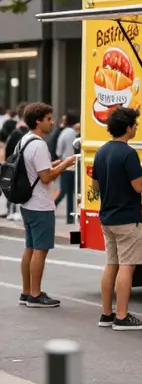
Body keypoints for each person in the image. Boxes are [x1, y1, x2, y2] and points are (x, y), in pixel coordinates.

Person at [92, 107, 142, 331]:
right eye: (134, 125)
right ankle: (122, 316)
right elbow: (140, 186)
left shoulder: (101, 151)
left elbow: (95, 186)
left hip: (107, 217)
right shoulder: (128, 153)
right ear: (127, 128)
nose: (135, 128)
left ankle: (107, 314)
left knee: (111, 265)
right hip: (127, 218)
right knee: (127, 266)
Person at [17, 103, 77, 307]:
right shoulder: (39, 144)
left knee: (30, 247)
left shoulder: (24, 141)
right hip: (40, 204)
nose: (52, 123)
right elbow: (45, 177)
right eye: (49, 119)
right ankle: (35, 294)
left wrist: (57, 163)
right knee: (40, 250)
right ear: (38, 121)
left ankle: (26, 292)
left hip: (26, 203)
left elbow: (36, 168)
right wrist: (66, 164)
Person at [54, 112, 78, 224]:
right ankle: (70, 217)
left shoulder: (63, 133)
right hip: (74, 166)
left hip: (65, 165)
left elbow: (59, 151)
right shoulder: (75, 134)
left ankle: (55, 208)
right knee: (71, 193)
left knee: (64, 191)